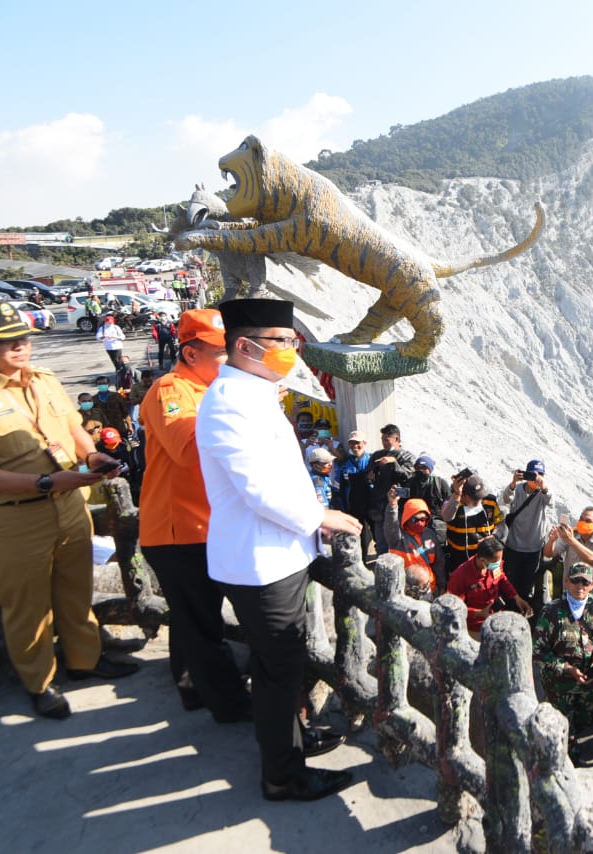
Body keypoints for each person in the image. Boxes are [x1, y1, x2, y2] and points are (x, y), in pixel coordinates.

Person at [0, 301, 138, 719]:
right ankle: (39, 682)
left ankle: (84, 660)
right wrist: (42, 483)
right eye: (6, 342)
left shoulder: (43, 380)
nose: (20, 347)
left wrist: (92, 456)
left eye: (23, 338)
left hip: (68, 505)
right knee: (27, 609)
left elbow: (72, 427)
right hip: (14, 518)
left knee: (75, 591)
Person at [196, 298, 363, 802]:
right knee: (277, 671)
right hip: (259, 563)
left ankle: (291, 741)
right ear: (245, 346)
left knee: (283, 665)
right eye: (283, 341)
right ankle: (282, 774)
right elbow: (258, 489)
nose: (293, 350)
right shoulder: (229, 402)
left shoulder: (254, 392)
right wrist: (321, 516)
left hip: (276, 553)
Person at [139, 308, 250, 722]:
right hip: (177, 529)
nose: (231, 361)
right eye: (221, 353)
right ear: (190, 354)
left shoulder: (209, 390)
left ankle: (191, 687)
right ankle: (231, 705)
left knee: (191, 617)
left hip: (198, 524)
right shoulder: (172, 390)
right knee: (204, 625)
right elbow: (187, 447)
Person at [532, 562, 593, 763]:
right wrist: (567, 669)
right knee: (562, 723)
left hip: (588, 677)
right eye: (575, 581)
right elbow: (539, 651)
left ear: (592, 585)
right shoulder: (551, 611)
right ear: (566, 582)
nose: (580, 586)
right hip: (559, 682)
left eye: (585, 582)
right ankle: (566, 758)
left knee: (589, 713)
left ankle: (573, 738)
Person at [543, 505, 593, 640]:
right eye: (581, 519)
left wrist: (571, 540)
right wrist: (552, 540)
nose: (582, 522)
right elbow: (549, 553)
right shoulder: (572, 534)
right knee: (568, 635)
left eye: (587, 521)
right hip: (572, 595)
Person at [446, 535, 532, 639]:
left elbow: (501, 578)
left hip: (496, 620)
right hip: (474, 628)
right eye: (496, 562)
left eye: (500, 560)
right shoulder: (460, 576)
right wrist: (479, 613)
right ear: (482, 560)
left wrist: (516, 597)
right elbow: (454, 608)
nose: (499, 564)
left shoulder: (494, 563)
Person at [500, 459, 553, 609]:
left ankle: (525, 613)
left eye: (541, 474)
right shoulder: (517, 489)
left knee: (527, 586)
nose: (537, 477)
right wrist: (512, 483)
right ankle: (510, 610)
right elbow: (505, 499)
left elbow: (550, 501)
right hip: (514, 546)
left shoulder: (543, 492)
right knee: (511, 584)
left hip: (534, 548)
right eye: (533, 474)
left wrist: (544, 487)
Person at [363, 423, 415, 554]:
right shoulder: (377, 455)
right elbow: (368, 475)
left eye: (387, 439)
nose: (384, 443)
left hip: (398, 508)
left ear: (396, 439)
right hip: (379, 507)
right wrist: (370, 476)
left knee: (397, 542)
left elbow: (408, 477)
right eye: (382, 439)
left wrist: (394, 463)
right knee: (380, 543)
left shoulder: (407, 457)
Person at [442, 472, 504, 573]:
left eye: (480, 496)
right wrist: (456, 495)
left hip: (486, 561)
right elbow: (446, 517)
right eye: (474, 498)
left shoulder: (490, 501)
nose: (478, 501)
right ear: (464, 495)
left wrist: (495, 536)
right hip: (460, 563)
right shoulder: (453, 502)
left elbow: (501, 524)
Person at [384, 493, 443, 599]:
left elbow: (439, 563)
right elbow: (390, 525)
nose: (420, 523)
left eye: (423, 519)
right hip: (406, 591)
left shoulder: (430, 534)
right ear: (407, 518)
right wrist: (392, 505)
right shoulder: (397, 538)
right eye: (415, 520)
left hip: (429, 588)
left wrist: (442, 586)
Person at [333, 431, 371, 517]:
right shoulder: (343, 462)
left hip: (370, 503)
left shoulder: (372, 460)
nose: (354, 445)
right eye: (351, 443)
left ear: (364, 443)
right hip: (352, 504)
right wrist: (341, 508)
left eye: (357, 442)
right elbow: (337, 487)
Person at [406, 454, 450, 521]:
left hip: (435, 521)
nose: (420, 470)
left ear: (430, 470)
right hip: (413, 520)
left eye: (424, 468)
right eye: (418, 468)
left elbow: (449, 504)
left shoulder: (440, 483)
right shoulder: (409, 482)